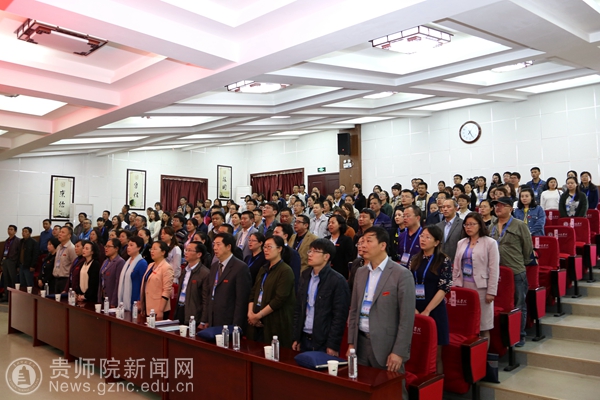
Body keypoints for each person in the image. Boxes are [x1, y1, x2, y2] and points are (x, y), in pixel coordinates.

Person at [347, 226, 415, 400]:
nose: (363, 245)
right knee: (362, 392)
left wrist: (399, 352)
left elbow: (407, 319)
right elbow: (354, 310)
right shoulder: (360, 272)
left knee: (392, 393)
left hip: (387, 346)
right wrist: (351, 343)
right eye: (362, 241)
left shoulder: (401, 274)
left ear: (383, 245)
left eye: (369, 241)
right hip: (361, 343)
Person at [292, 239, 350, 354]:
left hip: (323, 340)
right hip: (304, 336)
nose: (310, 254)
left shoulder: (337, 280)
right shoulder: (305, 276)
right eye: (310, 251)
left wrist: (333, 344)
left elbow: (339, 316)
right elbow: (299, 308)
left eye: (315, 251)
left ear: (326, 257)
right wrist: (296, 337)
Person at [490, 196, 533, 347]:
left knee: (519, 303)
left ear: (510, 208)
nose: (498, 208)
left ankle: (519, 335)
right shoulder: (491, 226)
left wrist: (519, 262)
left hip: (515, 271)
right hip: (496, 273)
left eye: (502, 205)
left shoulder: (519, 225)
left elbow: (528, 249)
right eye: (496, 205)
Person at [453, 212, 499, 347]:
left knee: (483, 325)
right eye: (466, 225)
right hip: (464, 287)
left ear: (480, 225)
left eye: (472, 224)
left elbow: (494, 269)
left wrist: (491, 291)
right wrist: (455, 286)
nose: (468, 227)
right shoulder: (461, 243)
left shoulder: (490, 243)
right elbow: (456, 267)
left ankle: (482, 356)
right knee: (466, 324)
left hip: (482, 289)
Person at [411, 225, 451, 373]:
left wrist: (427, 310)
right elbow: (408, 284)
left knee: (435, 354)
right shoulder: (415, 259)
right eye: (422, 236)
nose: (423, 239)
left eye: (428, 237)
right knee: (417, 351)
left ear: (436, 242)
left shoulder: (443, 260)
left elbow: (444, 288)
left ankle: (437, 385)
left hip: (435, 309)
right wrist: (413, 308)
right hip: (415, 308)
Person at [247, 235, 296, 348]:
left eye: (269, 247)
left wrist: (258, 316)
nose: (266, 250)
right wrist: (250, 314)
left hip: (273, 322)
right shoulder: (263, 269)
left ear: (279, 249)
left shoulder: (286, 271)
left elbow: (279, 299)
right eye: (264, 247)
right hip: (255, 319)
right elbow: (253, 292)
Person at [202, 233, 251, 330]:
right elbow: (210, 293)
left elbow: (241, 300)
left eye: (218, 244)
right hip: (213, 318)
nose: (215, 248)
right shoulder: (214, 266)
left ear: (228, 247)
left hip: (229, 320)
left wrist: (236, 326)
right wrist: (207, 319)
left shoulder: (240, 267)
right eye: (214, 244)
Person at [175, 241, 210, 326]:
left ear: (199, 254)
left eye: (190, 250)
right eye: (186, 250)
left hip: (193, 314)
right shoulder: (185, 270)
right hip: (180, 308)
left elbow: (205, 299)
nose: (186, 253)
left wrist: (203, 320)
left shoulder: (205, 273)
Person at [139, 241, 175, 321]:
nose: (152, 251)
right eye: (151, 249)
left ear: (163, 252)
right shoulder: (150, 265)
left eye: (155, 249)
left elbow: (167, 290)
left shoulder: (166, 267)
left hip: (158, 309)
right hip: (148, 306)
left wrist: (160, 311)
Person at [117, 236, 148, 311]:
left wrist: (139, 299)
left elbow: (143, 283)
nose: (128, 247)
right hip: (124, 297)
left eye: (131, 245)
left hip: (135, 299)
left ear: (139, 247)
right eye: (128, 245)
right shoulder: (127, 262)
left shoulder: (142, 263)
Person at [98, 238, 126, 307]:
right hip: (103, 296)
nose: (106, 248)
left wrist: (114, 302)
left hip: (111, 298)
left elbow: (118, 283)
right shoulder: (106, 261)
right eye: (105, 246)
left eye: (109, 246)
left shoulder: (120, 262)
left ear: (116, 248)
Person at [325, 215, 354, 279]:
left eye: (333, 223)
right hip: (326, 273)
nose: (330, 225)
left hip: (340, 273)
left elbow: (348, 258)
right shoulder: (325, 239)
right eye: (329, 223)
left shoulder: (346, 240)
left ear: (340, 225)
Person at [50, 226, 77, 294]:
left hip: (65, 280)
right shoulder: (59, 247)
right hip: (56, 278)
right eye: (60, 232)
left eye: (63, 232)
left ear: (69, 235)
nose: (60, 234)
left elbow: (75, 265)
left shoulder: (71, 248)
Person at [0, 225, 21, 298]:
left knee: (13, 279)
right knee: (6, 279)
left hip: (12, 261)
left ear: (15, 231)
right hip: (5, 260)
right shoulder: (7, 240)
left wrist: (17, 264)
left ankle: (13, 296)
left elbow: (19, 253)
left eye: (11, 229)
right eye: (8, 229)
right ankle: (6, 295)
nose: (9, 231)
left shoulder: (18, 241)